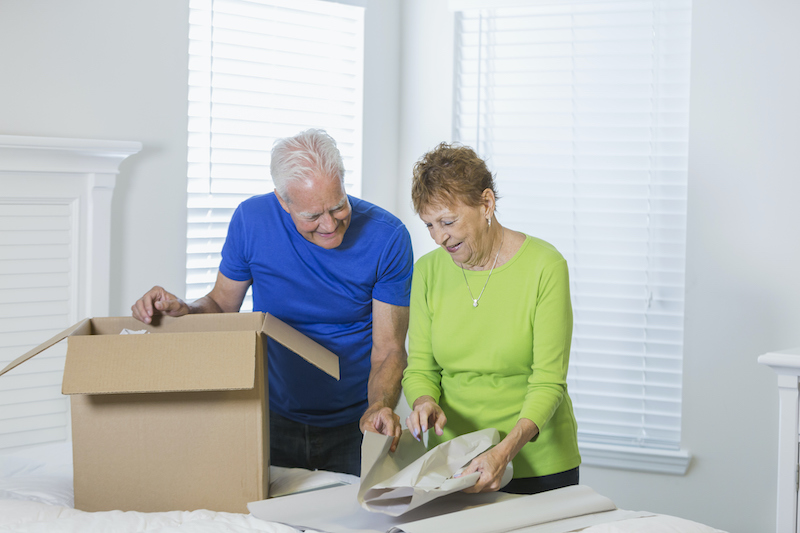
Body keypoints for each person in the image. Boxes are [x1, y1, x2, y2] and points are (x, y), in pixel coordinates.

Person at [131, 129, 413, 476]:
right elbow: (220, 306)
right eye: (312, 216)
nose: (330, 224)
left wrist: (378, 408)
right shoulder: (252, 220)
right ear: (283, 202)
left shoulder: (388, 237)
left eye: (338, 206)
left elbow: (389, 349)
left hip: (357, 422)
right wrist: (183, 310)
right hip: (271, 415)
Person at [402, 142, 581, 494]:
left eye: (448, 221)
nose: (440, 237)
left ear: (486, 203)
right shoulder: (427, 271)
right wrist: (424, 401)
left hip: (538, 464)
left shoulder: (545, 267)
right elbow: (421, 368)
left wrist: (504, 452)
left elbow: (548, 381)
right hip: (454, 463)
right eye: (429, 225)